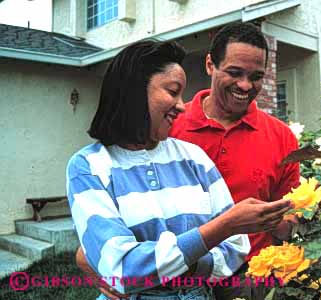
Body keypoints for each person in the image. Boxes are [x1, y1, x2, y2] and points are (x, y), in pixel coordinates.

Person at [67, 40, 293, 300]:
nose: (181, 105)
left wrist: (168, 268)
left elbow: (236, 246)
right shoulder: (88, 167)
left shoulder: (193, 157)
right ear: (134, 92)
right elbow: (123, 268)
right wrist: (220, 229)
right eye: (173, 91)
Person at [170, 22, 300, 300]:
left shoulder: (282, 137)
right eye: (234, 72)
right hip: (178, 277)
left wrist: (285, 222)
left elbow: (290, 215)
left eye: (256, 76)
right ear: (209, 65)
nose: (245, 85)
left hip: (249, 279)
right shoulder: (170, 126)